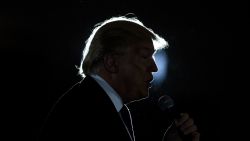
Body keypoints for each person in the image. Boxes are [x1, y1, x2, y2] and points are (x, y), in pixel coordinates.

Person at [38, 15, 200, 141]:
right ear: (112, 62)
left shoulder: (102, 106)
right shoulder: (85, 113)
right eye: (144, 56)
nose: (154, 67)